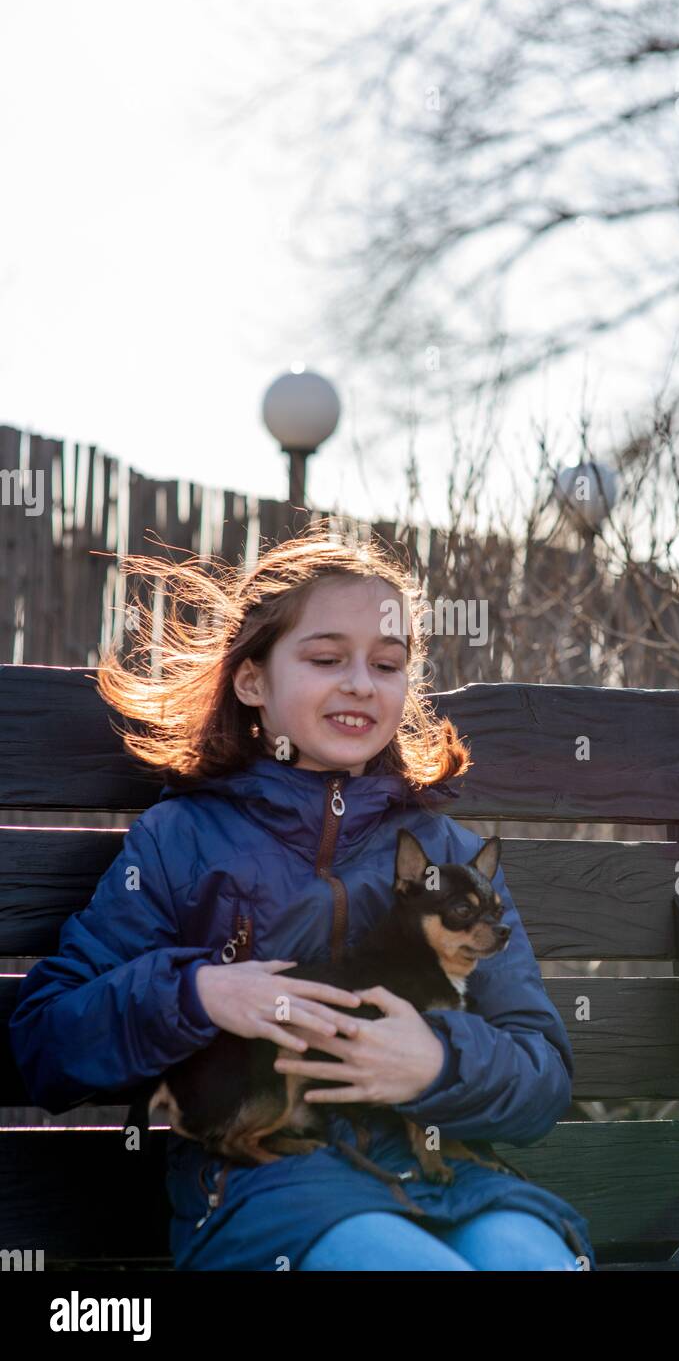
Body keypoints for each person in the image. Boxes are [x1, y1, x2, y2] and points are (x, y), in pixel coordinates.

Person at [9, 531, 596, 1272]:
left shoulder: (448, 855)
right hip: (268, 1181)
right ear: (252, 681)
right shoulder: (180, 841)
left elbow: (540, 1072)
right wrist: (195, 993)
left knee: (537, 1265)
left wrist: (439, 1063)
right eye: (326, 659)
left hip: (445, 1176)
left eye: (386, 665)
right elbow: (46, 1043)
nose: (360, 683)